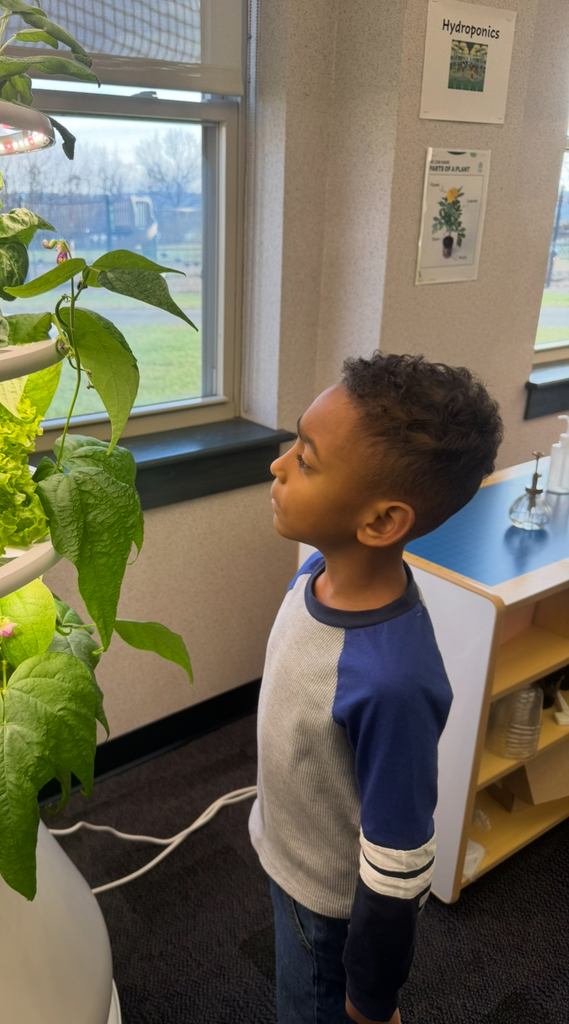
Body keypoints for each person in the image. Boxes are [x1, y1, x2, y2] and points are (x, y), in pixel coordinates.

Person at [248, 352, 503, 1024]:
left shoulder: (391, 682)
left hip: (327, 909)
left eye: (304, 460)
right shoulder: (312, 573)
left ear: (382, 522)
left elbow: (397, 869)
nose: (276, 467)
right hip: (289, 853)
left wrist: (370, 1000)